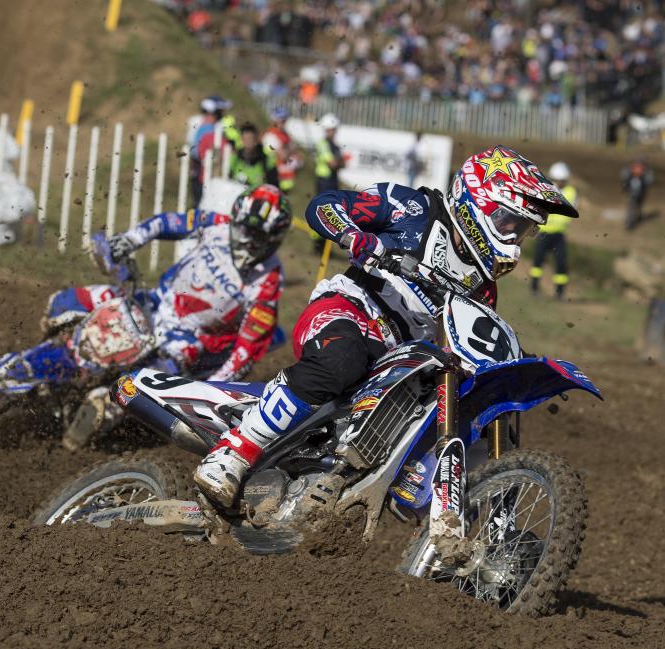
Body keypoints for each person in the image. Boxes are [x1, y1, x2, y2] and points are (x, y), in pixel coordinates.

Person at [194, 146, 578, 506]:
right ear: (478, 204)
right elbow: (324, 206)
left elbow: (472, 334)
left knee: (461, 401)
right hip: (350, 310)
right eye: (509, 223)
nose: (514, 241)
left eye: (524, 231)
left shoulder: (483, 285)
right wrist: (354, 235)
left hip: (401, 355)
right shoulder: (411, 208)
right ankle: (234, 451)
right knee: (342, 360)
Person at [44, 185, 292, 448]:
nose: (248, 240)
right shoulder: (216, 224)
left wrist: (207, 393)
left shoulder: (268, 280)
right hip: (154, 301)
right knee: (62, 304)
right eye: (245, 229)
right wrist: (130, 239)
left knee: (128, 392)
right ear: (235, 218)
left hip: (188, 343)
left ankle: (87, 428)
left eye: (258, 236)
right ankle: (53, 355)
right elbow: (167, 222)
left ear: (274, 238)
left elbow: (246, 351)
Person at [530, 161, 578, 299]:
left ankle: (560, 293)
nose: (559, 182)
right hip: (543, 233)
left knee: (561, 264)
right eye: (557, 179)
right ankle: (534, 288)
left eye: (561, 180)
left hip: (559, 234)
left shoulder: (571, 192)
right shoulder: (547, 190)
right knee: (537, 262)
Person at [189, 95, 231, 208]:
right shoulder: (208, 129)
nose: (222, 114)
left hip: (199, 171)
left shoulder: (204, 126)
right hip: (202, 173)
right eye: (220, 111)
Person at [312, 113, 345, 252]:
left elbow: (342, 164)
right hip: (324, 181)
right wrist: (339, 162)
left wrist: (339, 162)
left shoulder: (334, 145)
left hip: (332, 181)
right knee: (322, 213)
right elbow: (333, 163)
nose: (334, 131)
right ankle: (318, 246)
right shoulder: (323, 144)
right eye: (332, 129)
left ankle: (325, 247)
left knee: (332, 214)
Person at [262, 106, 301, 193]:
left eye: (285, 120)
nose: (284, 123)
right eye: (282, 120)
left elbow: (294, 149)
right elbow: (283, 155)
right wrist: (290, 150)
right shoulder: (270, 136)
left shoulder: (285, 135)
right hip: (273, 177)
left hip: (285, 181)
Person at [229, 122, 279, 188]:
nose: (247, 143)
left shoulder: (266, 160)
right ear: (241, 140)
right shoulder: (234, 159)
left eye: (250, 139)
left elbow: (274, 186)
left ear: (256, 141)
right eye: (245, 139)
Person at [621, 158, 654, 230]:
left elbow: (624, 176)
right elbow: (650, 180)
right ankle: (631, 221)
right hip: (638, 191)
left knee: (633, 206)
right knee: (633, 206)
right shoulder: (644, 170)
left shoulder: (633, 169)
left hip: (636, 191)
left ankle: (631, 220)